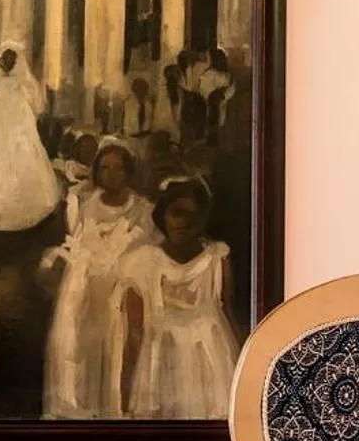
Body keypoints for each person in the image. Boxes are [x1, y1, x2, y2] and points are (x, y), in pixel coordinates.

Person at [39, 138, 159, 418]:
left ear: (129, 172)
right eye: (105, 168)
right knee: (78, 346)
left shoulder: (143, 209)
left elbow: (149, 255)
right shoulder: (83, 202)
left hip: (120, 288)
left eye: (118, 168)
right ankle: (78, 407)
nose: (111, 175)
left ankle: (111, 408)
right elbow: (75, 242)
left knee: (115, 346)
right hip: (84, 286)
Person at [115, 177, 239, 419]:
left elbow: (228, 311)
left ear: (204, 218)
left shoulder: (217, 257)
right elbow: (134, 333)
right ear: (163, 216)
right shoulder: (142, 261)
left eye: (194, 215)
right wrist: (126, 390)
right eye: (177, 213)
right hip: (161, 358)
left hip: (210, 360)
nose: (185, 223)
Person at [0, 45, 61, 232]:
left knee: (25, 159)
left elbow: (37, 105)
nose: (6, 63)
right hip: (1, 127)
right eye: (4, 60)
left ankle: (29, 206)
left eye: (10, 60)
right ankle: (2, 209)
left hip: (20, 127)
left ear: (16, 62)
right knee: (2, 165)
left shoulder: (24, 81)